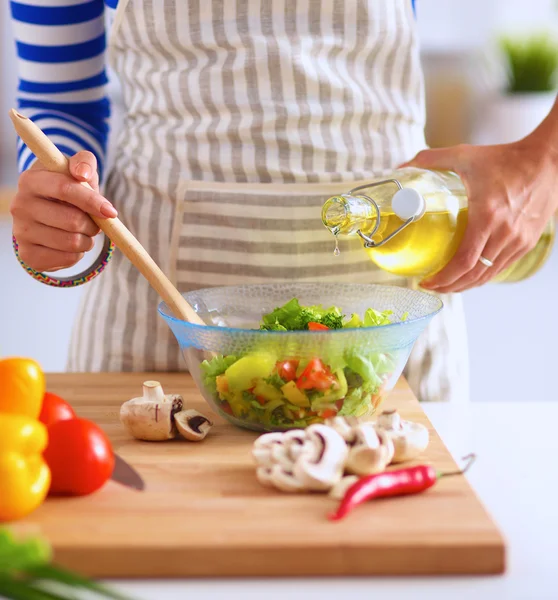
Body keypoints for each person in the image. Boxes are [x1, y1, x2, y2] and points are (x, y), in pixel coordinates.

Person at [8, 1, 558, 404]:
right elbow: (60, 97)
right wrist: (55, 189)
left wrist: (545, 160)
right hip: (155, 327)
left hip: (394, 328)